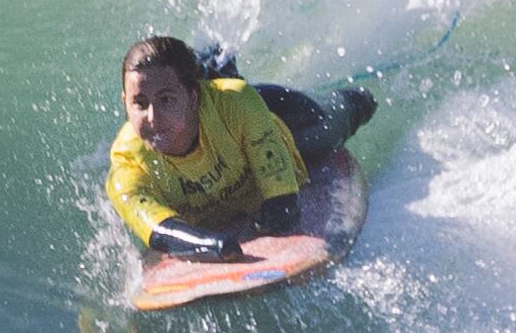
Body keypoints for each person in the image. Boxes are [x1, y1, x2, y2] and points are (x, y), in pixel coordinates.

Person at [107, 35, 376, 261]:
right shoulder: (127, 161)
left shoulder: (238, 103)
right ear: (124, 102)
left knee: (330, 126)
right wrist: (210, 245)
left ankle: (357, 100)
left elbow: (283, 202)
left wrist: (278, 209)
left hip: (272, 118)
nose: (153, 118)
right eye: (140, 103)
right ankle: (205, 68)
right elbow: (156, 230)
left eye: (165, 100)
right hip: (225, 117)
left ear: (192, 96)